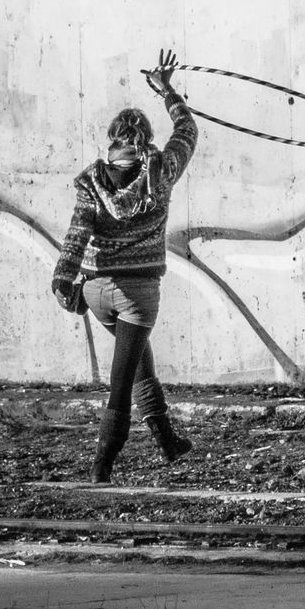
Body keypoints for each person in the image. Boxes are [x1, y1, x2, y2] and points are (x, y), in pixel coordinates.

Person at [51, 49, 199, 483]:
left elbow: (78, 234)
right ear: (146, 140)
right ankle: (103, 463)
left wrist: (64, 280)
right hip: (138, 296)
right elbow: (188, 130)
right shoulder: (163, 169)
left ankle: (167, 438)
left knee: (137, 361)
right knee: (121, 381)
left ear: (112, 141)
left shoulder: (91, 181)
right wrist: (165, 89)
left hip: (97, 292)